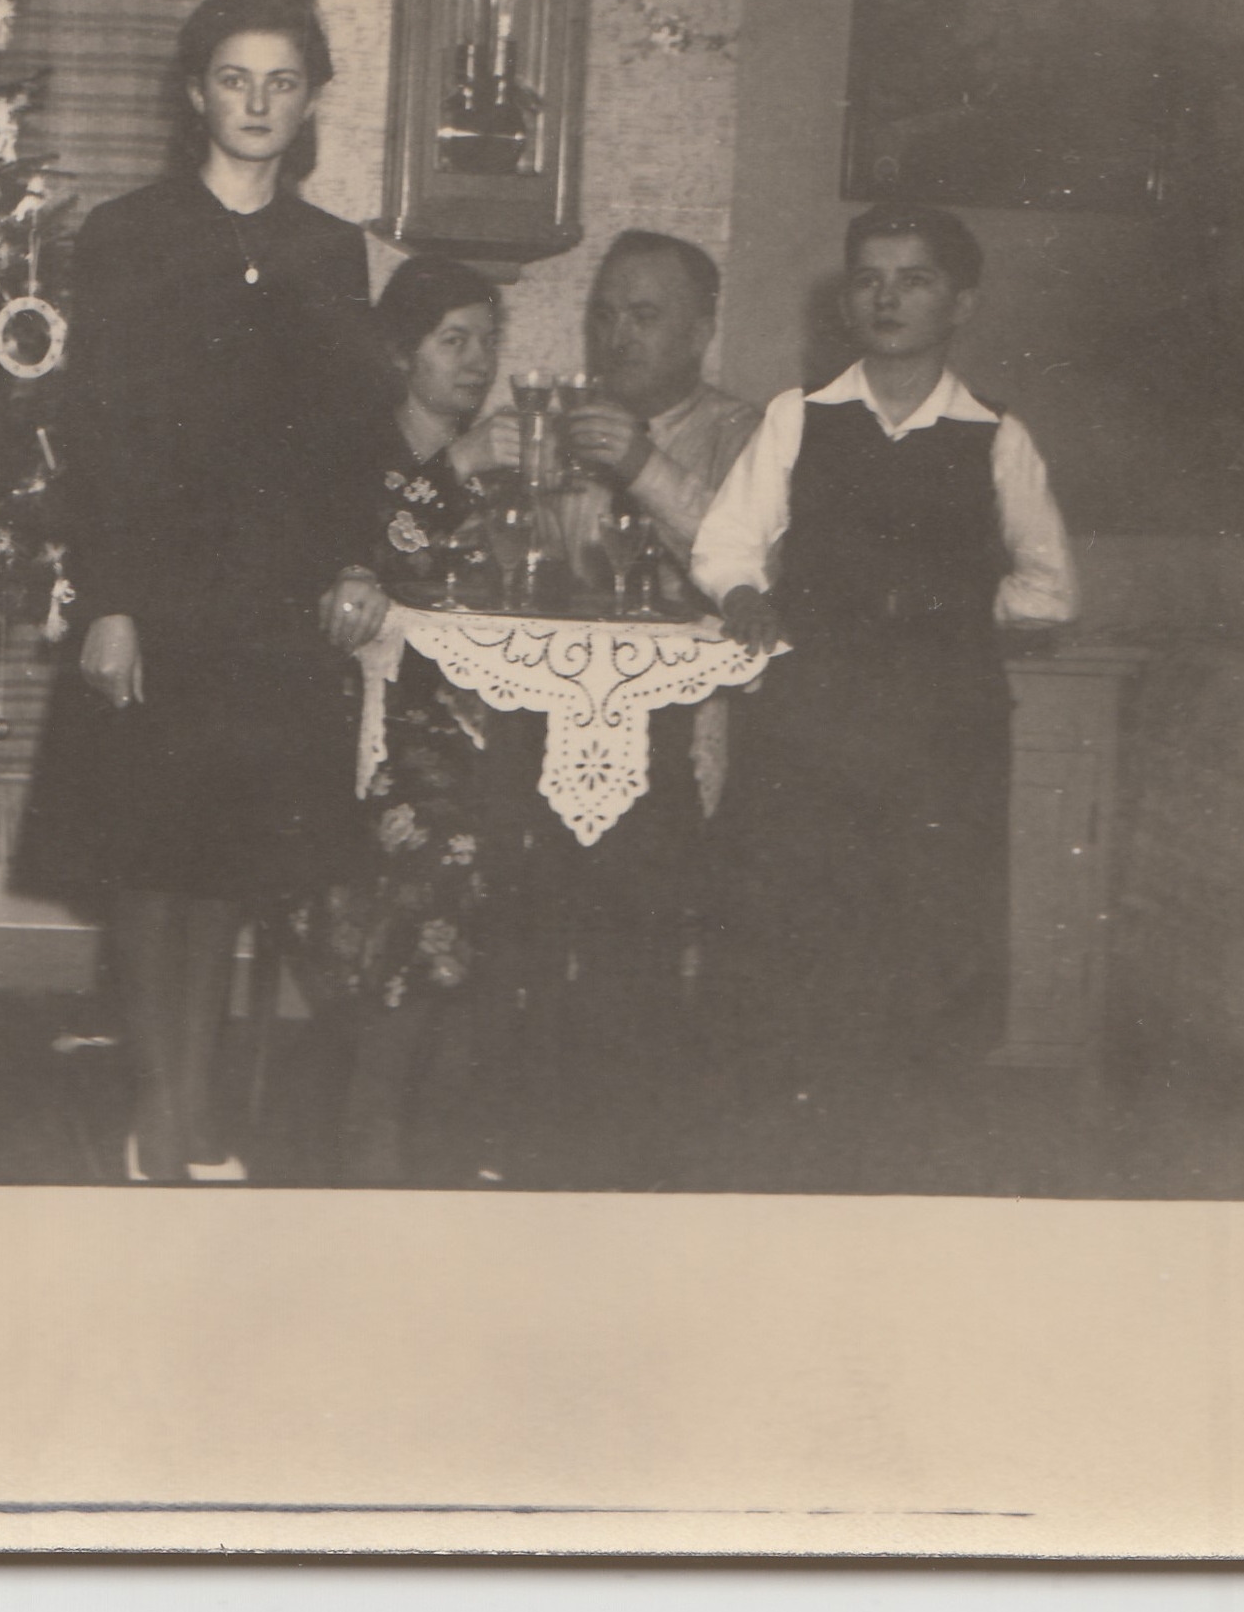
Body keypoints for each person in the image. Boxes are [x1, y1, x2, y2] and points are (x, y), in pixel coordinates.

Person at [14, 0, 390, 1184]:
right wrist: (110, 603)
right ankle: (162, 1111)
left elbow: (347, 440)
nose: (258, 102)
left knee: (225, 865)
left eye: (282, 81)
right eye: (235, 79)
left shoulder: (329, 252)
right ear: (195, 93)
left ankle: (197, 1109)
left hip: (268, 606)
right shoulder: (128, 236)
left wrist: (352, 561)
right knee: (148, 864)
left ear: (311, 99)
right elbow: (96, 433)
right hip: (153, 591)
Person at [692, 203, 1079, 1074]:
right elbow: (726, 543)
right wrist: (747, 593)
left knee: (924, 940)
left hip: (941, 730)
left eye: (915, 279)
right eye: (868, 279)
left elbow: (1049, 589)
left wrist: (952, 615)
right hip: (813, 723)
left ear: (962, 303)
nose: (888, 298)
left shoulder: (997, 435)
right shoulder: (798, 417)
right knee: (795, 932)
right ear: (846, 302)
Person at [283, 255, 534, 1185]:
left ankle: (455, 1108)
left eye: (487, 340)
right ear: (400, 354)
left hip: (471, 719)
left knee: (533, 831)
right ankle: (381, 1104)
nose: (476, 361)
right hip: (359, 724)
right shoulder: (352, 451)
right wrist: (456, 470)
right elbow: (363, 561)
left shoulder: (506, 467)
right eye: (452, 340)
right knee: (447, 847)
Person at [561, 230, 764, 578]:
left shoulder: (746, 437)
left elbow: (755, 563)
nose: (617, 339)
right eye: (605, 316)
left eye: (644, 317)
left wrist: (643, 467)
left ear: (698, 336)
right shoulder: (566, 435)